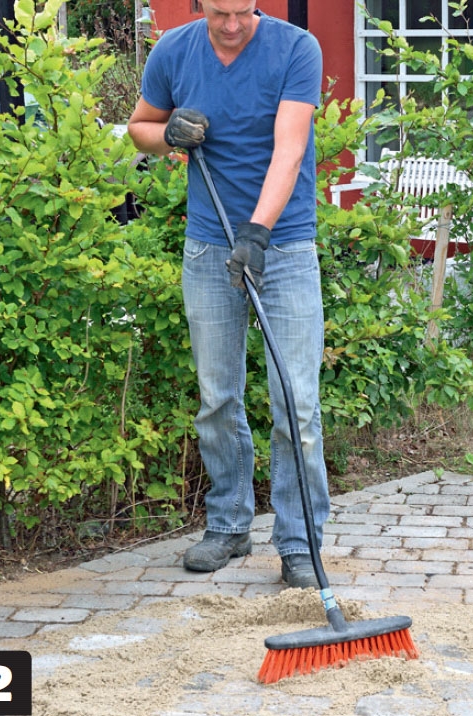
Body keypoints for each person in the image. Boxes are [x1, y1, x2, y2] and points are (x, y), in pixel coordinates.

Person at [127, 0, 329, 589]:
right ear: (200, 5)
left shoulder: (295, 49)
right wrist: (168, 136)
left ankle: (299, 543)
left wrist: (258, 233)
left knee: (297, 405)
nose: (233, 25)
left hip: (283, 245)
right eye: (221, 13)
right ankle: (229, 525)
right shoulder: (174, 50)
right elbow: (140, 127)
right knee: (217, 399)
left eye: (243, 11)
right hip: (208, 246)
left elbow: (289, 149)